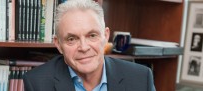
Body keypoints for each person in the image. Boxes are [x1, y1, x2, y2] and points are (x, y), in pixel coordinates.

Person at [23, 0, 156, 91]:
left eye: (92, 35)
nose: (84, 47)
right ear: (58, 44)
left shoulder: (140, 78)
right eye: (72, 39)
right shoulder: (37, 83)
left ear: (106, 35)